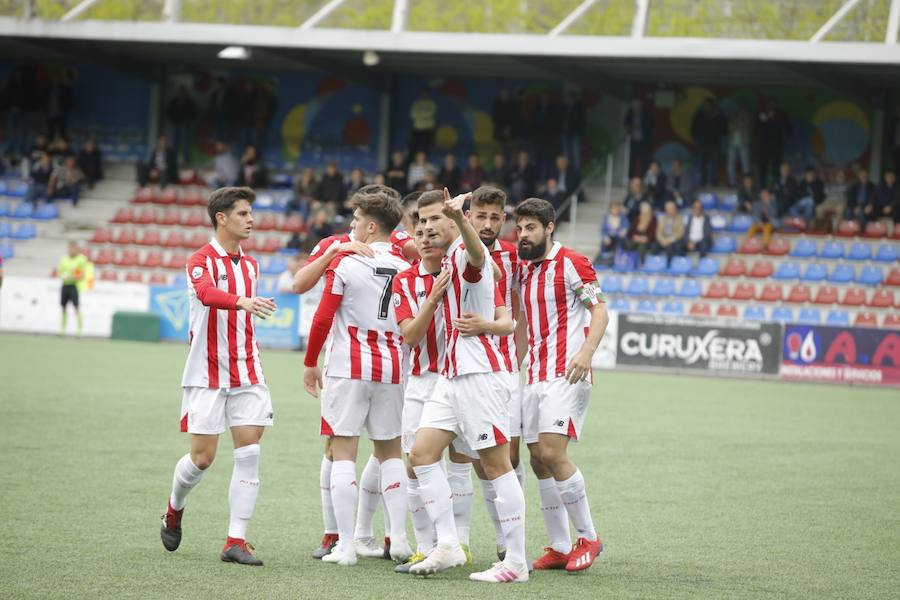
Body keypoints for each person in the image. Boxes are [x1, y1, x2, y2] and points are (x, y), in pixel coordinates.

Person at [405, 189, 524, 583]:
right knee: (421, 455)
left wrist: (459, 220)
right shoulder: (448, 259)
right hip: (450, 376)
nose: (426, 227)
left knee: (495, 465)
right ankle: (448, 543)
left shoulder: (466, 253)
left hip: (479, 376)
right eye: (422, 221)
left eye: (434, 219)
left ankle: (516, 562)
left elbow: (476, 257)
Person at [159, 186, 276, 566]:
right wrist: (240, 301)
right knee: (202, 459)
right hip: (206, 374)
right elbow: (207, 294)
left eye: (251, 213)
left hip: (247, 371)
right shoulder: (200, 261)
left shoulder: (253, 266)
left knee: (250, 452)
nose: (251, 220)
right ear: (221, 218)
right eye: (243, 213)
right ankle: (175, 508)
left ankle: (235, 541)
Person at [302, 189, 413, 567]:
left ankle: (346, 546)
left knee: (344, 453)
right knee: (391, 453)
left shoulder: (346, 262)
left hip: (349, 365)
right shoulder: (405, 268)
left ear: (369, 226)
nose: (350, 228)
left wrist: (309, 361)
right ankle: (398, 539)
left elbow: (322, 316)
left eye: (354, 222)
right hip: (393, 366)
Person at [515, 197, 608, 573]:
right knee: (537, 460)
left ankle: (588, 537)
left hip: (567, 373)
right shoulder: (523, 269)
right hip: (534, 376)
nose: (523, 235)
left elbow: (599, 309)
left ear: (549, 227)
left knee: (553, 453)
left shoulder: (572, 262)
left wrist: (586, 353)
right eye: (520, 228)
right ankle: (559, 545)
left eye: (531, 228)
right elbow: (522, 324)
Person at [691, 96, 726, 187]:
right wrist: (695, 139)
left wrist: (718, 115)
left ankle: (712, 183)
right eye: (705, 105)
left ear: (712, 105)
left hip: (714, 144)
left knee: (713, 165)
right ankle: (702, 183)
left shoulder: (717, 116)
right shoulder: (699, 115)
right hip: (702, 144)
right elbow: (693, 128)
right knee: (701, 165)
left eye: (708, 105)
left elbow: (724, 129)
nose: (706, 106)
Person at [57, 241, 90, 336]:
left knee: (76, 307)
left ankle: (79, 331)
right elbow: (59, 272)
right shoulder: (64, 259)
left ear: (77, 249)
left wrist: (73, 277)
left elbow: (82, 275)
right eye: (69, 248)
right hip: (65, 285)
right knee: (63, 307)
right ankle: (62, 330)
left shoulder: (81, 260)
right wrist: (64, 276)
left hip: (74, 286)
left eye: (73, 248)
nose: (71, 250)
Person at [757, 100, 790, 186]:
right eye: (770, 105)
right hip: (764, 146)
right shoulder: (763, 114)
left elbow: (787, 127)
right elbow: (759, 127)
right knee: (763, 167)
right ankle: (762, 187)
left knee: (776, 167)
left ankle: (777, 186)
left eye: (773, 105)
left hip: (776, 146)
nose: (771, 106)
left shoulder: (780, 114)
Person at [166, 86, 197, 165]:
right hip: (175, 124)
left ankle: (186, 160)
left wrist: (188, 121)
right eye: (179, 92)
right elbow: (168, 112)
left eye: (183, 92)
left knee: (185, 143)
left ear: (185, 93)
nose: (181, 94)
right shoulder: (174, 101)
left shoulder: (189, 102)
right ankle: (173, 159)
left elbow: (194, 113)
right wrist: (172, 121)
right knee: (174, 143)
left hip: (185, 125)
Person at [624, 97, 653, 178]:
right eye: (634, 105)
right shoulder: (630, 113)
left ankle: (644, 178)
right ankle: (630, 178)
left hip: (644, 141)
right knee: (631, 161)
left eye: (637, 105)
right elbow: (625, 123)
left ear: (641, 105)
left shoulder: (647, 113)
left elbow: (650, 127)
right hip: (633, 141)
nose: (635, 107)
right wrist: (629, 129)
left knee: (645, 161)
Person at [726, 101, 752, 187]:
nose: (741, 108)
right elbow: (729, 126)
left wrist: (735, 125)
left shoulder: (748, 114)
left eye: (743, 106)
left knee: (745, 165)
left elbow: (745, 125)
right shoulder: (734, 115)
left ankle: (747, 184)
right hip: (733, 143)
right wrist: (735, 125)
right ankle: (732, 183)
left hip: (743, 143)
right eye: (740, 106)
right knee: (730, 165)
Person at [652, 200, 685, 266]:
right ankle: (654, 264)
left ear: (675, 209)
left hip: (673, 239)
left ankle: (668, 265)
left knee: (671, 247)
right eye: (668, 209)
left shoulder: (679, 219)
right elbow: (658, 232)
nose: (670, 211)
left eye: (671, 209)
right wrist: (662, 240)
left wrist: (668, 240)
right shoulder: (662, 219)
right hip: (663, 239)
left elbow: (680, 233)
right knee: (654, 246)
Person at [560, 91, 586, 170]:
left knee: (576, 153)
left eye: (568, 98)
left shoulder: (578, 108)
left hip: (575, 133)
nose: (566, 100)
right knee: (566, 153)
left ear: (572, 98)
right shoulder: (565, 108)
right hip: (565, 133)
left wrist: (578, 130)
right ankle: (568, 172)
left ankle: (577, 172)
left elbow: (581, 121)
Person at [409, 89, 437, 157]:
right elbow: (413, 114)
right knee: (413, 147)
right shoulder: (416, 103)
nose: (425, 94)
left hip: (428, 129)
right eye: (424, 93)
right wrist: (425, 114)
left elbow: (431, 113)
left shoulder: (432, 103)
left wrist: (420, 114)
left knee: (426, 148)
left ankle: (424, 163)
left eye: (427, 93)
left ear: (429, 94)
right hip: (417, 128)